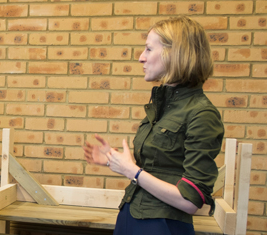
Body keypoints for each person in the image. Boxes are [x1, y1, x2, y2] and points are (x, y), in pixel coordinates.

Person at [83, 16, 224, 235]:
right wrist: (114, 159)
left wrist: (132, 171)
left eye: (149, 49)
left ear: (174, 53)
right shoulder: (163, 107)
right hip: (132, 217)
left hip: (162, 226)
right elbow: (158, 168)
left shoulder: (201, 113)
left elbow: (190, 200)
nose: (141, 58)